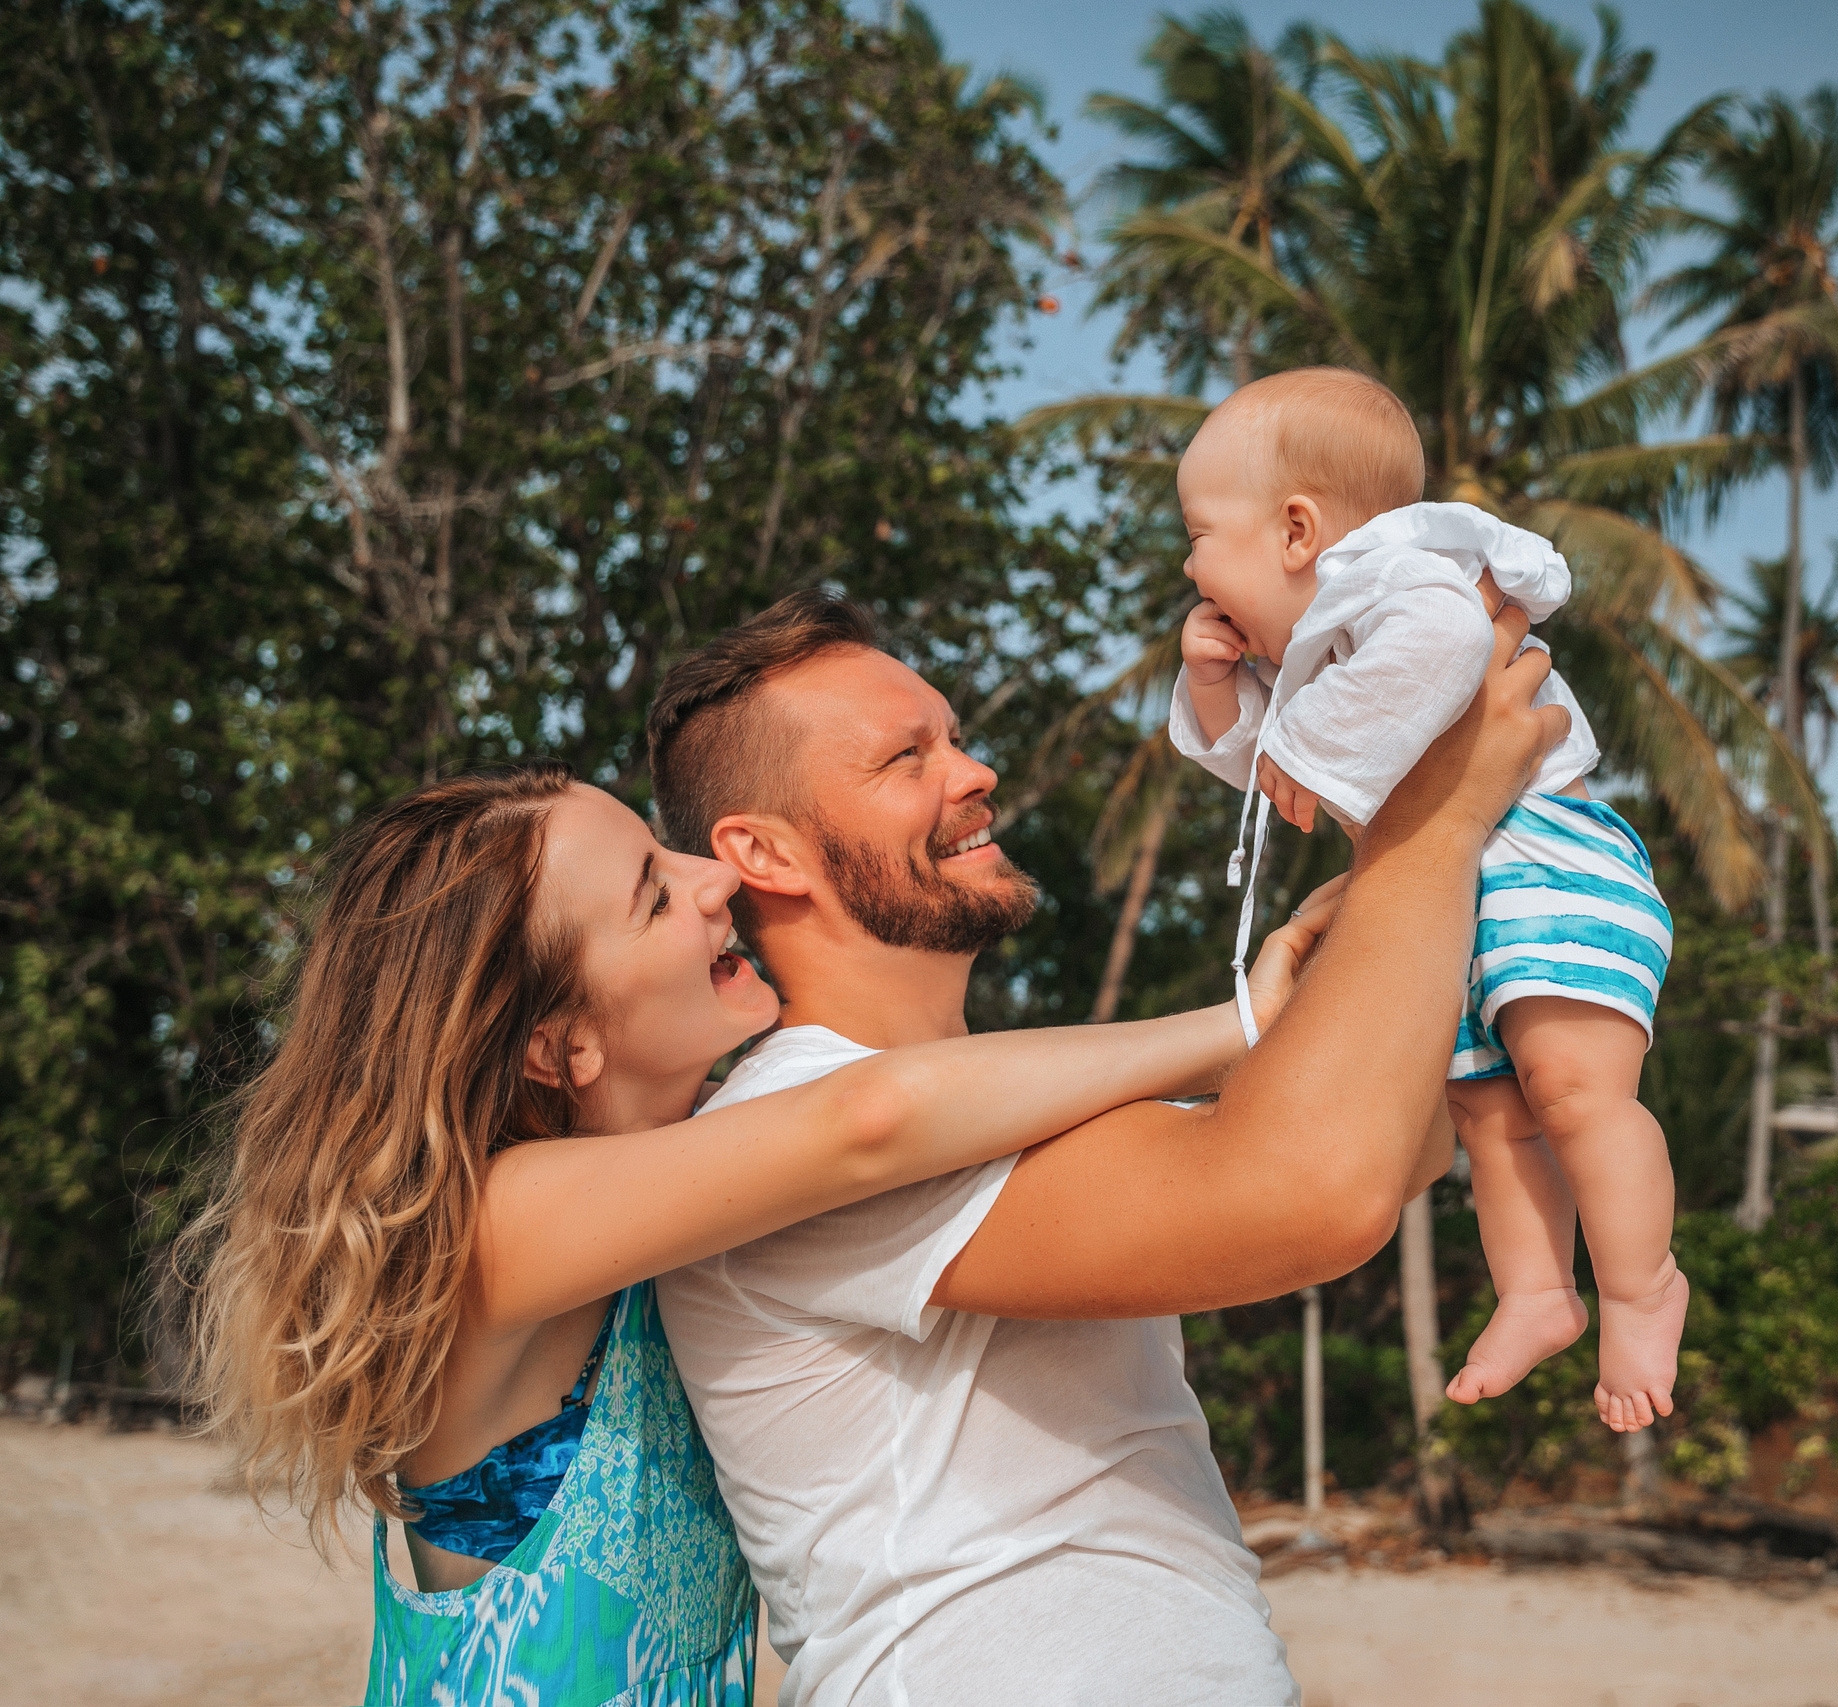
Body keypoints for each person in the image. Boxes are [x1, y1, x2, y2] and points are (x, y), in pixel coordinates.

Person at [173, 760, 1337, 1705]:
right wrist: (1237, 1023)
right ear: (561, 1044)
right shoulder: (499, 1230)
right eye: (651, 896)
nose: (710, 878)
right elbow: (865, 1118)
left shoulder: (657, 1220)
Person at [644, 587, 1564, 1706]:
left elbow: (1390, 1151)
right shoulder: (787, 1135)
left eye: (956, 737)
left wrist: (1395, 878)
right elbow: (1315, 1195)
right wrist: (1434, 820)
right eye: (904, 758)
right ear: (763, 853)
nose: (975, 773)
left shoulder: (1020, 1098)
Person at [1169, 365, 1686, 1433]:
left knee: (1573, 1093)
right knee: (1490, 1116)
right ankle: (1539, 1292)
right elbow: (1274, 770)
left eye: (1201, 535)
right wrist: (1219, 690)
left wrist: (1312, 746)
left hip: (1548, 859)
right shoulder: (1321, 650)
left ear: (1299, 530)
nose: (1189, 566)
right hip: (1454, 879)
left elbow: (1446, 651)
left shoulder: (1399, 574)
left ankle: (1643, 1289)